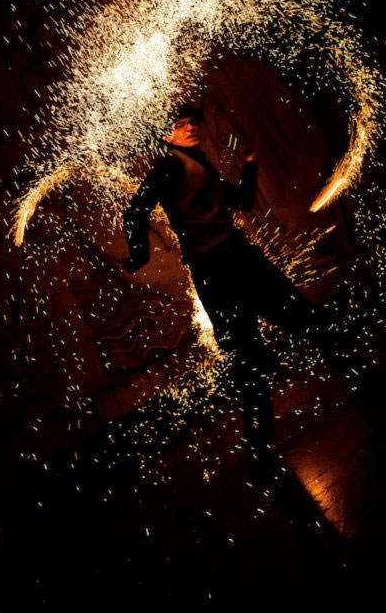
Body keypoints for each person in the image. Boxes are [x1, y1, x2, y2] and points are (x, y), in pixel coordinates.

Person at [122, 101, 354, 490]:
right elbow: (136, 211)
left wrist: (249, 166)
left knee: (303, 320)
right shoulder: (168, 167)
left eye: (193, 122)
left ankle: (362, 379)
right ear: (167, 136)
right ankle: (261, 455)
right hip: (216, 274)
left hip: (240, 260)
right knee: (248, 362)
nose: (191, 127)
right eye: (181, 124)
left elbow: (242, 201)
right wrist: (138, 253)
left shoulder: (201, 166)